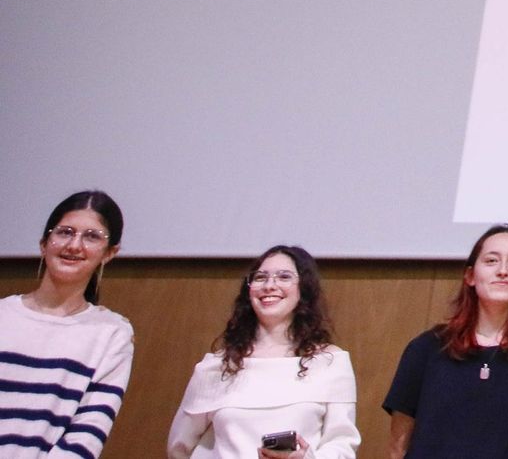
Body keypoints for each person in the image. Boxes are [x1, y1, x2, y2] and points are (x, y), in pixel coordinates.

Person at [384, 224, 508, 459]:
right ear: (470, 276)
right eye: (491, 261)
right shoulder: (426, 348)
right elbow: (398, 444)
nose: (503, 271)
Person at [167, 245, 358, 459]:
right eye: (260, 278)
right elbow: (179, 448)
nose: (270, 285)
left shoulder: (330, 362)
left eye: (284, 277)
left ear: (303, 288)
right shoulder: (216, 366)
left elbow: (342, 445)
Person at [0, 189, 134, 458]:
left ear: (110, 253)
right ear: (44, 243)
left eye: (92, 237)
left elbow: (86, 435)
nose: (74, 245)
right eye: (64, 232)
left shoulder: (111, 333)